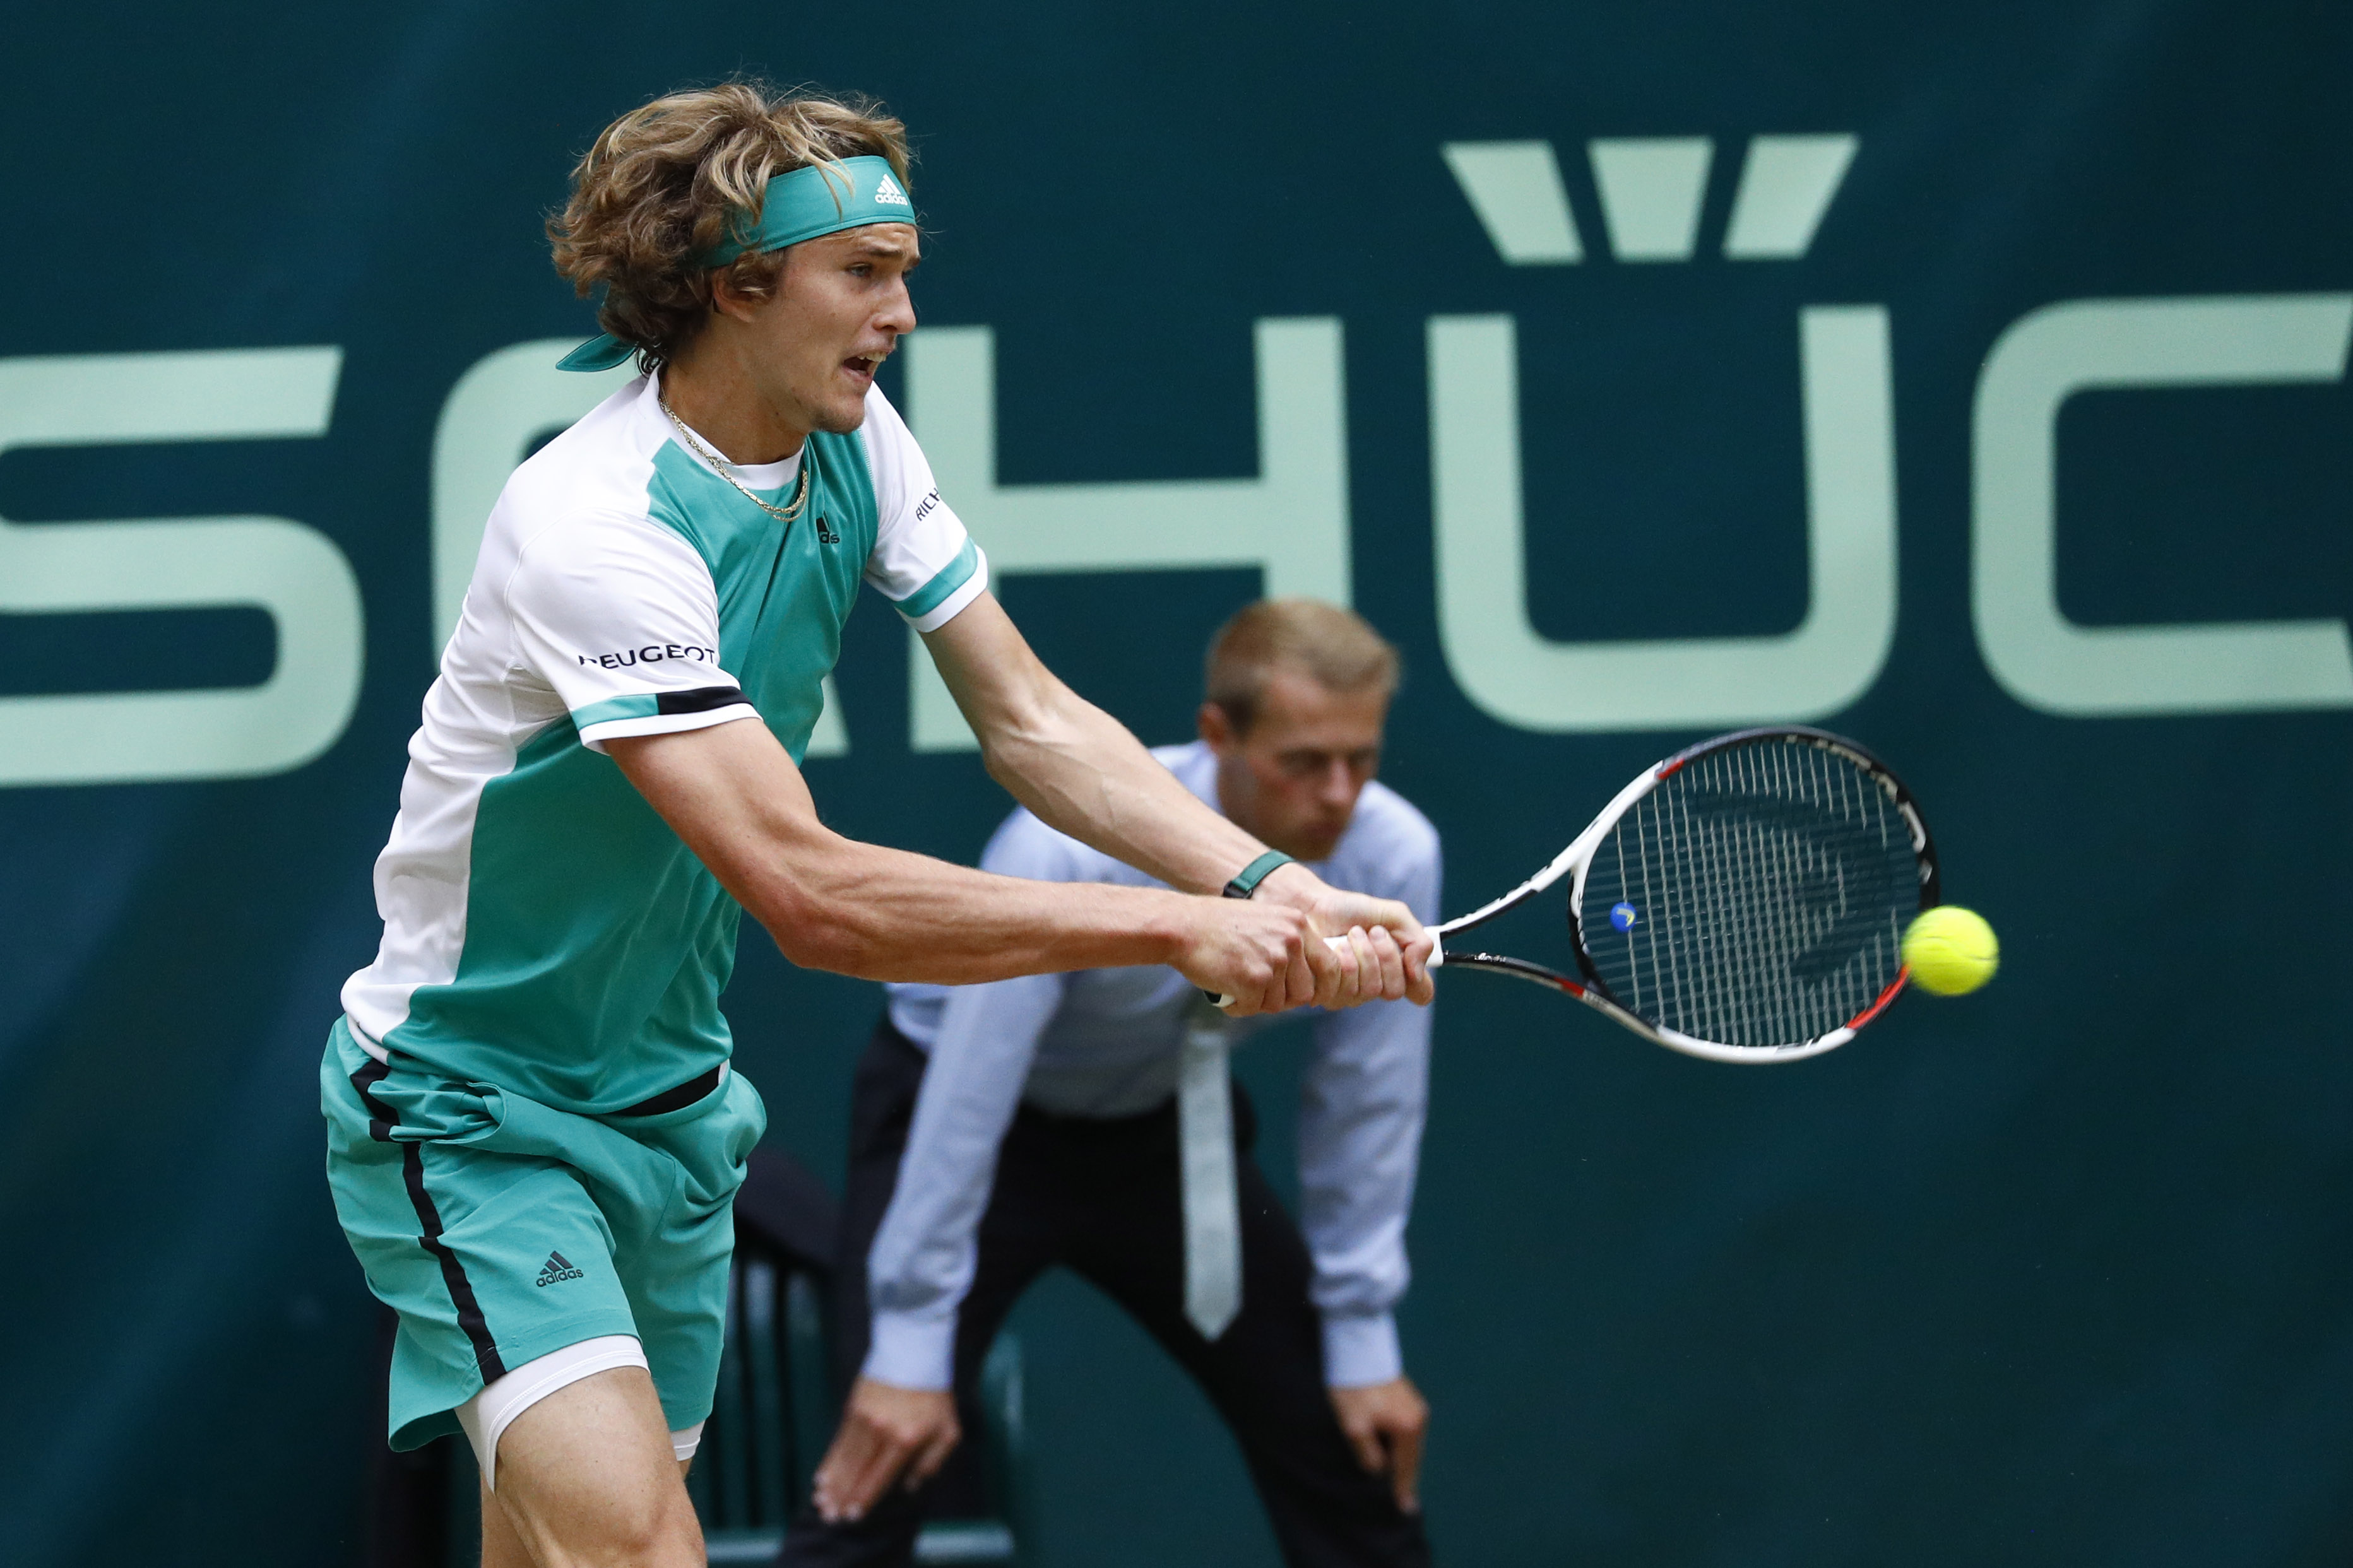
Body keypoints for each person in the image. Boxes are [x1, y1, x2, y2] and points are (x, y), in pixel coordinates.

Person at [319, 85, 1432, 1568]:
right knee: (644, 1548)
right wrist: (1188, 924)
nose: (901, 310)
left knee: (553, 1553)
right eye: (866, 271)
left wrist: (1270, 875)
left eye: (905, 268)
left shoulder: (854, 441)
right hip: (469, 1106)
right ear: (740, 285)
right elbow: (810, 893)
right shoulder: (595, 527)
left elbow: (1031, 720)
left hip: (665, 1110)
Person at [785, 600, 1440, 1568]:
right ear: (1219, 735)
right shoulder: (1064, 846)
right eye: (1303, 761)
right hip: (964, 1119)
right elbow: (969, 1091)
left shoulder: (1393, 854)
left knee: (1347, 1438)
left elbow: (1367, 1102)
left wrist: (1363, 1332)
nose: (1338, 793)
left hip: (1160, 1129)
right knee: (884, 1452)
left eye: (1361, 758)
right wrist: (913, 1332)